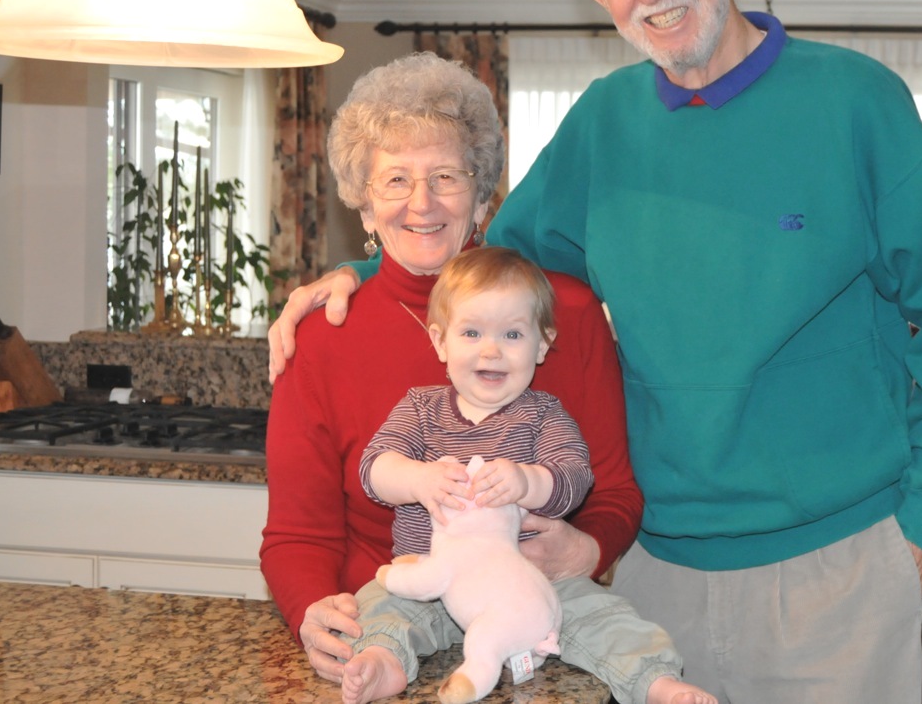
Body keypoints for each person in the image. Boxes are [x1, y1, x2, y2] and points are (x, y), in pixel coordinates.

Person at [268, 0, 922, 701]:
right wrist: (362, 273)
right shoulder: (603, 123)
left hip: (837, 567)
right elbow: (489, 272)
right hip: (653, 576)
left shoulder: (855, 103)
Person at [260, 51, 700, 704]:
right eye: (395, 180)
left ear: (483, 193)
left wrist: (588, 547)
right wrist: (311, 610)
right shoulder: (322, 337)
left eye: (446, 176)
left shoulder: (566, 315)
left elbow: (613, 491)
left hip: (534, 632)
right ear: (364, 206)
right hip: (382, 632)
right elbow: (298, 533)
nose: (422, 202)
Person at [341, 246, 713, 704]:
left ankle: (656, 681)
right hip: (431, 581)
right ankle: (382, 661)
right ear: (440, 341)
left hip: (530, 583)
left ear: (541, 344)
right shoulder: (420, 408)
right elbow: (373, 468)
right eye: (472, 332)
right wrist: (417, 479)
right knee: (379, 603)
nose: (491, 350)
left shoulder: (543, 415)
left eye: (513, 334)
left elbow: (574, 479)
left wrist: (527, 482)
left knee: (602, 614)